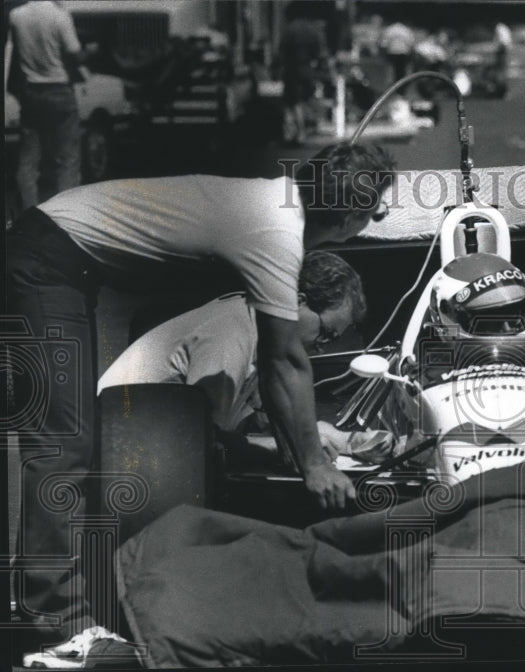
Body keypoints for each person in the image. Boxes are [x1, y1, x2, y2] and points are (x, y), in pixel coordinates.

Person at [6, 142, 395, 666]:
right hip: (47, 256)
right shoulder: (275, 233)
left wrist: (302, 450)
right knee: (62, 442)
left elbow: (277, 369)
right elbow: (285, 361)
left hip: (64, 255)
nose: (382, 216)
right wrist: (316, 466)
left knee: (66, 437)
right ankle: (56, 625)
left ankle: (40, 595)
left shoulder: (275, 208)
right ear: (349, 216)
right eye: (376, 208)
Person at [97, 250, 366, 439]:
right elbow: (213, 442)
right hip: (117, 456)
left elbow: (246, 422)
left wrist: (334, 437)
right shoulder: (232, 331)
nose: (323, 346)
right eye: (326, 333)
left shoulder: (256, 331)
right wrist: (280, 450)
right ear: (296, 302)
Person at [7, 0, 85, 210]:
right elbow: (75, 53)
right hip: (59, 90)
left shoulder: (16, 15)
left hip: (31, 91)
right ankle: (65, 214)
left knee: (29, 159)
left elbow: (16, 54)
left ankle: (28, 214)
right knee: (67, 158)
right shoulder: (60, 15)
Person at [279, 1, 328, 145]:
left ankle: (295, 132)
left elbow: (282, 52)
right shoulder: (313, 30)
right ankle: (303, 130)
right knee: (305, 100)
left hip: (291, 70)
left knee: (292, 102)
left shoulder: (289, 30)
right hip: (307, 70)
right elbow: (321, 54)